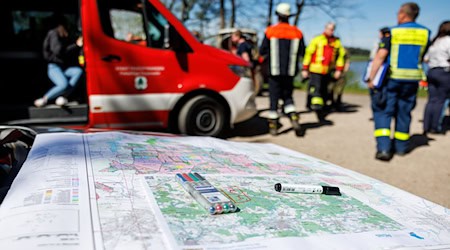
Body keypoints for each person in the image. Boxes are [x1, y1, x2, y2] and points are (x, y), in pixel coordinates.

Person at [367, 2, 430, 161]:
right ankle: (401, 147)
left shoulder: (393, 32)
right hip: (412, 80)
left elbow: (381, 55)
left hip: (392, 79)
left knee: (383, 111)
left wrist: (371, 78)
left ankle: (384, 149)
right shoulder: (425, 33)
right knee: (404, 112)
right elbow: (422, 56)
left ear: (402, 14)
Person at [259, 2, 305, 136]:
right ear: (289, 16)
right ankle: (294, 116)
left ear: (278, 16)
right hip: (290, 72)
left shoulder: (270, 31)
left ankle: (273, 126)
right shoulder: (297, 32)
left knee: (274, 98)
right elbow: (303, 52)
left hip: (274, 71)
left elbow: (263, 51)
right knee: (288, 97)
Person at [34, 14, 84, 108]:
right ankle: (45, 99)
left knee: (78, 71)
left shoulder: (60, 35)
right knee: (63, 84)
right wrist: (76, 45)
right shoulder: (53, 33)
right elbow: (59, 52)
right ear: (60, 25)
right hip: (54, 67)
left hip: (62, 67)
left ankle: (62, 97)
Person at [301, 22, 346, 121]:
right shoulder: (317, 39)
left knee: (325, 90)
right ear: (325, 29)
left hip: (328, 71)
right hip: (315, 70)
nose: (331, 31)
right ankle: (318, 110)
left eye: (333, 29)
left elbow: (340, 57)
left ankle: (321, 107)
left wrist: (339, 70)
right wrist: (305, 68)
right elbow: (308, 54)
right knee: (316, 89)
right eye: (329, 29)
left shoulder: (336, 42)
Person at [422, 20, 450, 135]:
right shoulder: (448, 41)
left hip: (432, 71)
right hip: (444, 72)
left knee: (431, 100)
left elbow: (425, 59)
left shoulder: (434, 41)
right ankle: (435, 127)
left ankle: (426, 126)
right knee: (440, 101)